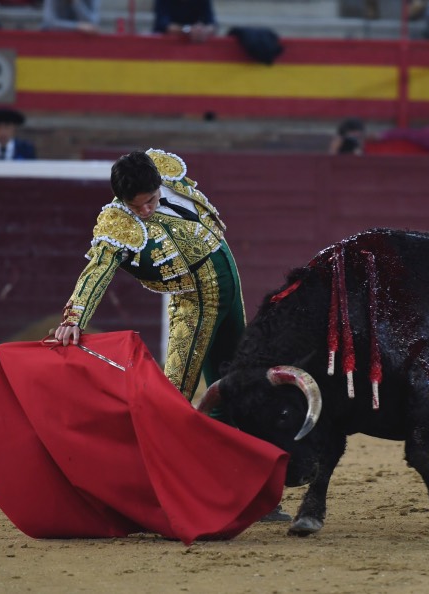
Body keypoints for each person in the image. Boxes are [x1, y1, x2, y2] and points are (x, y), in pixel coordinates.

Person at [53, 149, 291, 523]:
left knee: (235, 383)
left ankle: (251, 494)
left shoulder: (164, 173)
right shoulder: (117, 223)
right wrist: (75, 316)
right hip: (195, 304)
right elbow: (97, 269)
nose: (146, 210)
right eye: (138, 206)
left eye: (150, 200)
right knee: (171, 399)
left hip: (228, 287)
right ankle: (150, 494)